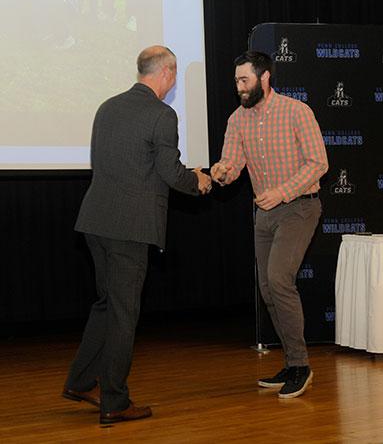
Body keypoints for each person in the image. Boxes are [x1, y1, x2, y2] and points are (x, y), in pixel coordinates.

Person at [62, 45, 212, 424]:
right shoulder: (162, 114)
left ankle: (81, 381)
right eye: (174, 75)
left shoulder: (107, 106)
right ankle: (114, 401)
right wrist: (198, 181)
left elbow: (122, 164)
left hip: (95, 221)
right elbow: (170, 172)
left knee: (106, 304)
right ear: (168, 73)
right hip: (130, 229)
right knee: (124, 314)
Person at [211, 51, 328, 399]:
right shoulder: (238, 119)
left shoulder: (296, 111)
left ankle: (302, 366)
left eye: (244, 80)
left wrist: (281, 192)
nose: (239, 87)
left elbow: (317, 163)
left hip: (299, 207)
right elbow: (232, 163)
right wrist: (222, 172)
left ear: (264, 79)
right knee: (267, 287)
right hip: (264, 213)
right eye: (236, 81)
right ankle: (292, 363)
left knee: (279, 279)